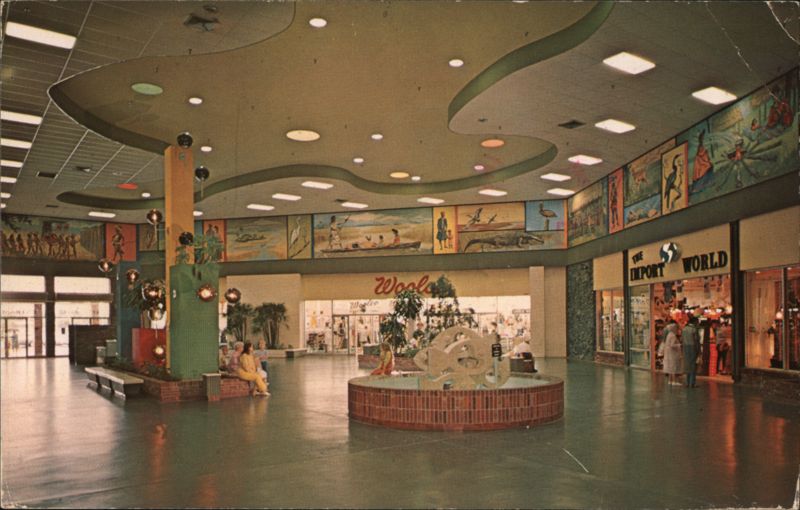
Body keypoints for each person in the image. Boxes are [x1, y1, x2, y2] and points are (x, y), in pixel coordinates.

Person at [681, 317, 701, 388]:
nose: (698, 323)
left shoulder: (684, 329)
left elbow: (681, 339)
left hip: (685, 348)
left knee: (687, 365)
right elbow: (697, 341)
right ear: (695, 322)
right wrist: (699, 351)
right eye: (698, 322)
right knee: (693, 365)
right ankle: (692, 383)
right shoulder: (694, 330)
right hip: (693, 348)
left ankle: (687, 382)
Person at [662, 321, 682, 386]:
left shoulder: (669, 335)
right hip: (673, 354)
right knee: (673, 367)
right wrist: (679, 345)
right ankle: (673, 381)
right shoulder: (673, 335)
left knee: (670, 367)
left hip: (668, 353)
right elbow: (672, 345)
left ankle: (670, 380)